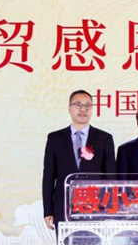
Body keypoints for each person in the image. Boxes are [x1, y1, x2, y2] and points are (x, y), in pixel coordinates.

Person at [42, 90, 115, 230]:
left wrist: (109, 208)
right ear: (69, 108)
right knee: (65, 243)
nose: (83, 109)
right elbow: (49, 176)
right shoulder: (55, 138)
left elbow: (110, 177)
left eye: (88, 105)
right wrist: (48, 210)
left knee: (93, 244)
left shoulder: (104, 138)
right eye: (78, 105)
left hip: (95, 207)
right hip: (63, 206)